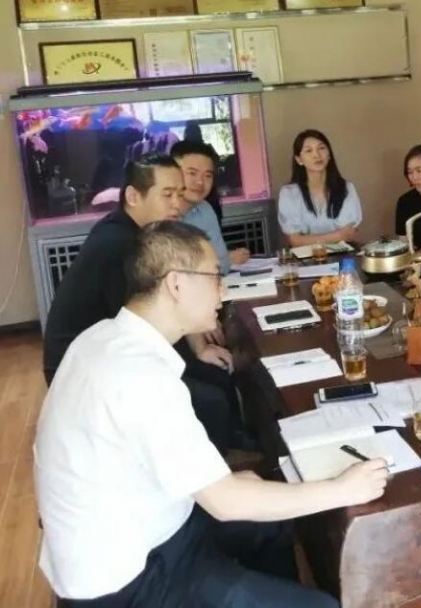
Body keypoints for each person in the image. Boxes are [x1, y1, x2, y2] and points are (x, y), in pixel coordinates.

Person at [35, 221, 390, 606]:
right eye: (215, 277)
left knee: (269, 524)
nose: (223, 290)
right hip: (127, 580)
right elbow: (225, 503)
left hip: (144, 526)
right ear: (175, 284)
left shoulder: (104, 338)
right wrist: (344, 490)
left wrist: (228, 485)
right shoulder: (139, 375)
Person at [43, 156, 239, 454]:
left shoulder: (138, 234)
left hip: (118, 352)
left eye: (180, 194)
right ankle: (210, 472)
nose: (177, 204)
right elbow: (146, 323)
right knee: (209, 400)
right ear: (134, 196)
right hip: (87, 375)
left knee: (216, 374)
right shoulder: (120, 245)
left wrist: (199, 349)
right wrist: (196, 353)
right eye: (167, 195)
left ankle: (236, 445)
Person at [171, 140, 250, 274]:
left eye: (207, 175)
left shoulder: (205, 209)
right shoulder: (159, 213)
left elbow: (223, 264)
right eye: (192, 173)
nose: (200, 182)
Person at [277, 129, 362, 246]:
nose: (316, 155)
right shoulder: (289, 194)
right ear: (299, 160)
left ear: (329, 154)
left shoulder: (346, 188)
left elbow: (348, 234)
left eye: (321, 148)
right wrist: (338, 236)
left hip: (342, 254)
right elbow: (295, 240)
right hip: (305, 256)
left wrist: (308, 239)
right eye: (308, 151)